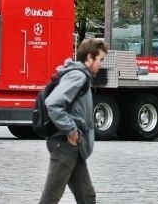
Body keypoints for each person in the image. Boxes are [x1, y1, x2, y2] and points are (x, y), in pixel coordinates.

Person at [39, 38, 108, 204]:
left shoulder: (80, 76)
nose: (101, 64)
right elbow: (53, 104)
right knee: (50, 198)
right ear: (89, 58)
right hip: (64, 145)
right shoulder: (78, 76)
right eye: (100, 59)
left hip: (73, 147)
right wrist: (71, 130)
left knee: (87, 197)